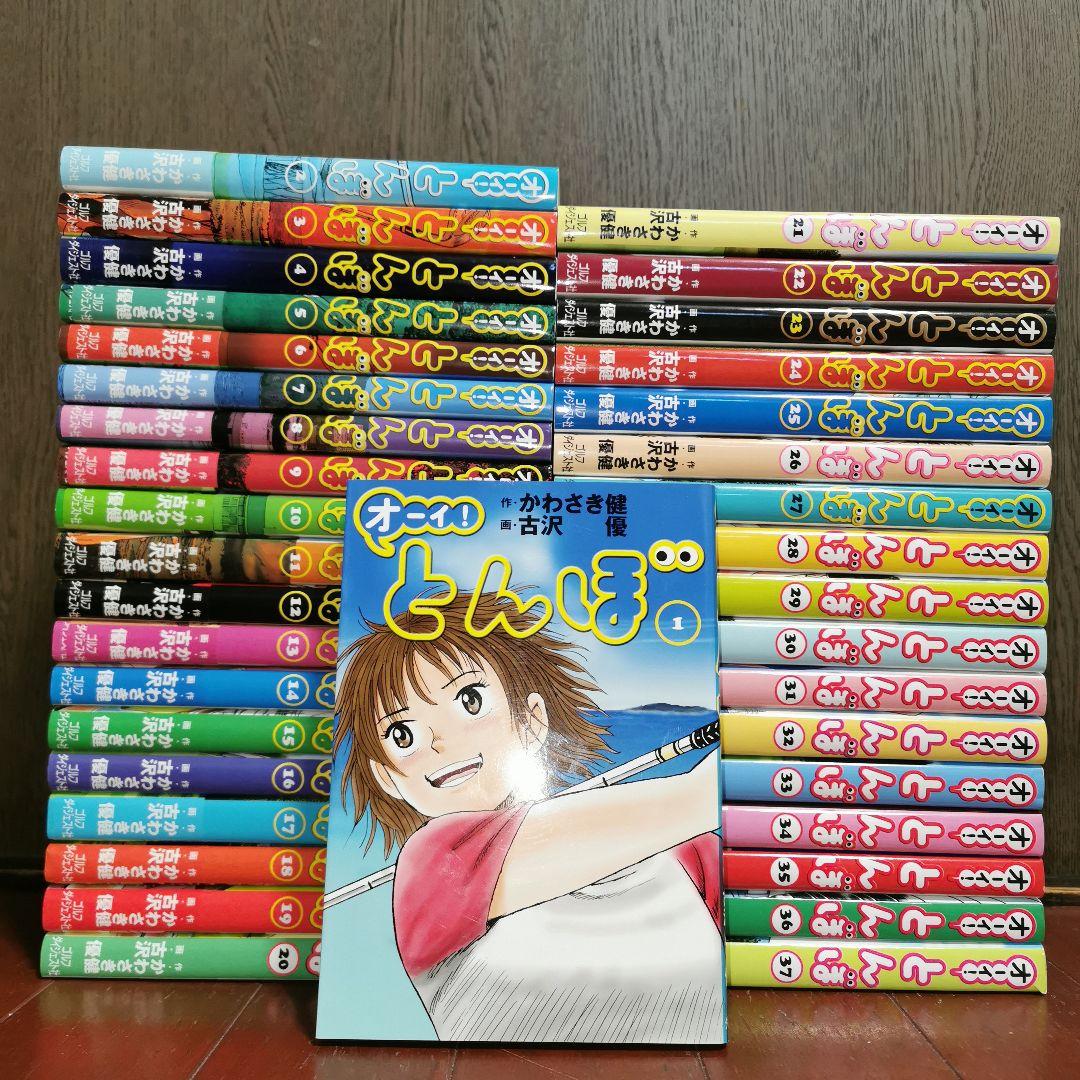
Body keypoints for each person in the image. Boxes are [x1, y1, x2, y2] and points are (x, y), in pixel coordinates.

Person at [333, 590, 723, 1042]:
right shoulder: (432, 862)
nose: (440, 742)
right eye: (404, 734)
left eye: (470, 701)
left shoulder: (687, 852)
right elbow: (696, 798)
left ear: (532, 720)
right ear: (387, 776)